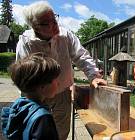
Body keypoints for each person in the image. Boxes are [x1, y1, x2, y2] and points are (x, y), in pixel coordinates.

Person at [16, 1, 107, 139]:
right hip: (35, 96)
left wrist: (93, 75)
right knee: (36, 130)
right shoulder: (26, 42)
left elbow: (81, 55)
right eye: (48, 23)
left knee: (62, 130)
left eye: (55, 18)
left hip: (62, 93)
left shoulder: (65, 35)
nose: (55, 25)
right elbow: (24, 75)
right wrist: (34, 96)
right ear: (35, 26)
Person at [1, 53, 60, 140]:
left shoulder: (19, 103)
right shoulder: (43, 118)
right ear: (42, 86)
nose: (58, 83)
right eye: (55, 80)